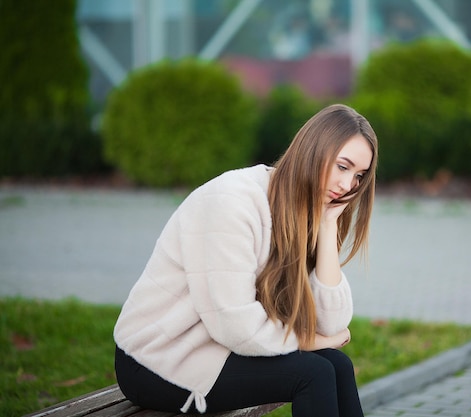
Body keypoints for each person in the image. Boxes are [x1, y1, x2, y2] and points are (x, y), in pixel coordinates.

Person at [113, 103, 379, 417]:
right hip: (159, 357)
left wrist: (327, 225)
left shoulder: (307, 212)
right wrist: (315, 341)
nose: (348, 187)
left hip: (217, 347)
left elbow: (332, 322)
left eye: (359, 176)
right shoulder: (232, 203)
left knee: (337, 365)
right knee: (313, 373)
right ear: (313, 151)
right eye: (343, 167)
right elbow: (236, 325)